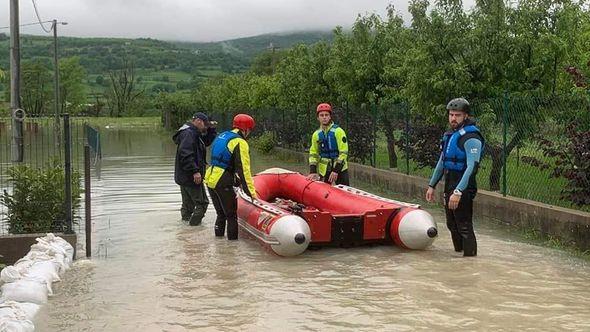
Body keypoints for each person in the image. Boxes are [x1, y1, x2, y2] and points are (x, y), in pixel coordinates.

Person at [426, 98, 484, 257]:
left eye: (457, 115)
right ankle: (458, 256)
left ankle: (469, 260)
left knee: (464, 226)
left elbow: (472, 167)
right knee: (452, 224)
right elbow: (442, 161)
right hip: (449, 182)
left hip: (463, 184)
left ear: (465, 116)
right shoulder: (450, 135)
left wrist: (458, 192)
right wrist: (432, 185)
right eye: (451, 115)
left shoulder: (471, 137)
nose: (453, 118)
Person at [205, 114, 257, 240]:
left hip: (210, 178)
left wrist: (236, 180)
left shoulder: (222, 136)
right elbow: (244, 170)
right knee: (231, 216)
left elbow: (224, 161)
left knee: (220, 214)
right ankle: (232, 251)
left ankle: (220, 245)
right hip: (222, 181)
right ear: (246, 129)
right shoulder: (240, 142)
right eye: (250, 130)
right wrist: (252, 194)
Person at [173, 112, 217, 226]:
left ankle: (185, 230)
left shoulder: (191, 132)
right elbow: (186, 154)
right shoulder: (189, 133)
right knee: (202, 204)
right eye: (205, 124)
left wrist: (211, 130)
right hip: (190, 177)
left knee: (188, 206)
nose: (205, 127)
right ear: (198, 121)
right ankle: (194, 229)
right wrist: (195, 171)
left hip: (183, 176)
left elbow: (205, 142)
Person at [306, 103, 350, 185]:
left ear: (330, 116)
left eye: (326, 115)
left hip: (340, 169)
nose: (324, 117)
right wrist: (313, 171)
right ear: (318, 118)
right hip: (324, 170)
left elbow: (344, 153)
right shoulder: (316, 134)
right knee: (323, 194)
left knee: (344, 192)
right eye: (321, 115)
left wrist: (336, 170)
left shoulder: (338, 131)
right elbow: (313, 153)